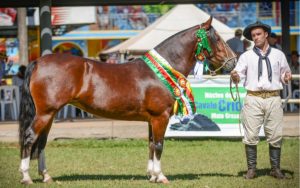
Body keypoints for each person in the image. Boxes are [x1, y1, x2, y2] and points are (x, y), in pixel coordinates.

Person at [230, 21, 292, 179]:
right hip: (253, 98)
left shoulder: (279, 55)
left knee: (275, 135)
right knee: (250, 135)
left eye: (258, 34)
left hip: (273, 97)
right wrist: (235, 76)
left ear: (266, 35)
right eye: (253, 36)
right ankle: (251, 169)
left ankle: (275, 169)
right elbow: (238, 76)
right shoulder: (246, 56)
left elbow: (286, 74)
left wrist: (287, 77)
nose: (256, 38)